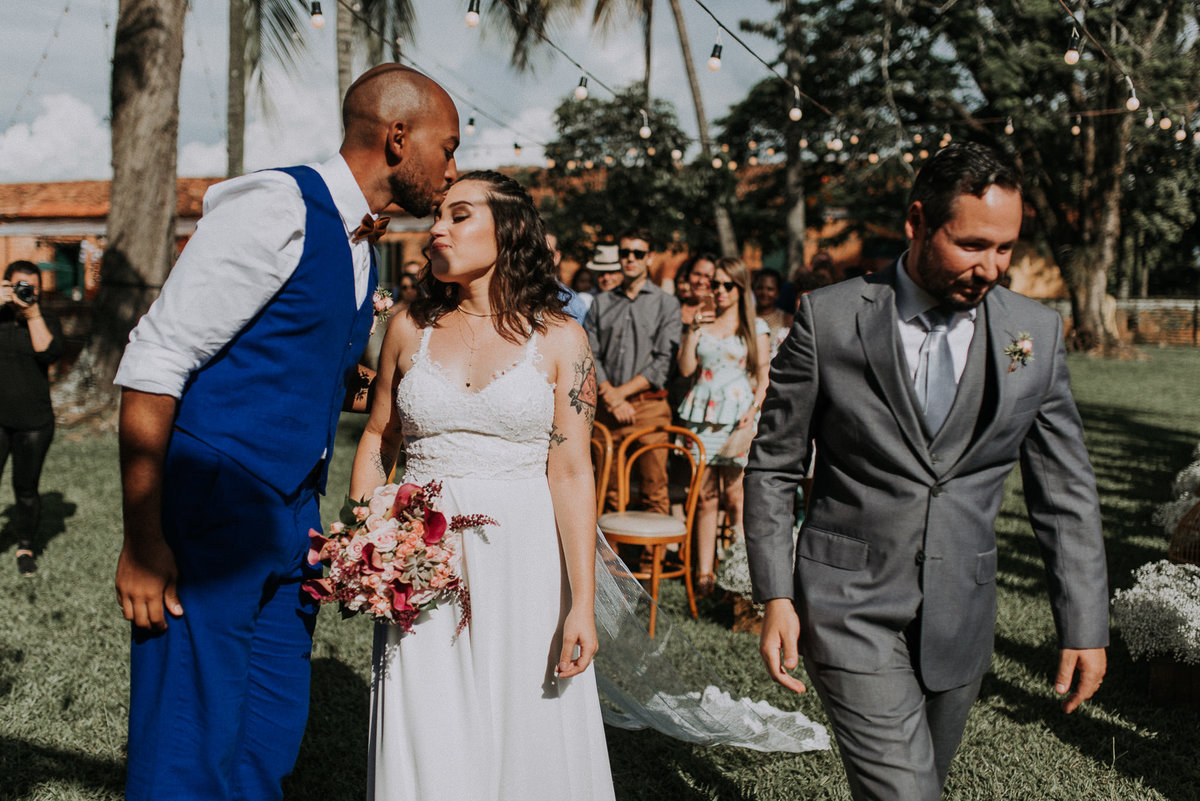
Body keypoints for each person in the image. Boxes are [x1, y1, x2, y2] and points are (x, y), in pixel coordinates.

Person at [112, 64, 460, 801]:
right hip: (213, 508)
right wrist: (144, 540)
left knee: (267, 732)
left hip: (293, 517)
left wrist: (354, 385)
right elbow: (155, 360)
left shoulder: (362, 239)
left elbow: (286, 348)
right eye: (448, 147)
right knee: (189, 734)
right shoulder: (278, 205)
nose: (451, 169)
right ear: (398, 137)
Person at [744, 142, 1109, 800]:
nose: (992, 268)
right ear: (916, 221)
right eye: (972, 244)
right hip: (847, 603)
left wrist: (1084, 623)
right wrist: (775, 593)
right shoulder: (828, 320)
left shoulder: (1035, 333)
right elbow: (774, 465)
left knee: (918, 783)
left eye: (1006, 248)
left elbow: (1065, 490)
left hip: (959, 613)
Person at [351, 170, 614, 799]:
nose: (436, 228)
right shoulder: (408, 329)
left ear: (510, 229)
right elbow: (376, 440)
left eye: (458, 215)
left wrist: (580, 601)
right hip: (420, 557)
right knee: (427, 717)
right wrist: (367, 541)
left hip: (523, 557)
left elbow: (573, 471)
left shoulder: (562, 339)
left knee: (525, 715)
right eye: (436, 215)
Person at [676, 257, 770, 596]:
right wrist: (690, 331)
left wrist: (753, 411)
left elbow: (764, 376)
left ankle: (737, 574)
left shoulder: (755, 326)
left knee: (736, 497)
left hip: (738, 417)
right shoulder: (700, 324)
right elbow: (686, 370)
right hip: (702, 415)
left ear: (740, 288)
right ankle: (704, 575)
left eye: (726, 284)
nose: (719, 290)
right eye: (715, 283)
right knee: (703, 497)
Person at [584, 230, 682, 514]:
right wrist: (611, 398)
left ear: (649, 258)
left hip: (649, 406)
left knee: (655, 492)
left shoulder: (666, 304)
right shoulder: (602, 303)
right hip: (607, 409)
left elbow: (664, 362)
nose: (630, 259)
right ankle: (613, 559)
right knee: (609, 494)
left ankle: (654, 560)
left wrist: (618, 396)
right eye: (625, 253)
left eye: (637, 254)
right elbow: (590, 354)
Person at [1, 261, 63, 577]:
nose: (27, 291)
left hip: (34, 423)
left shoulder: (47, 320)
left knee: (25, 488)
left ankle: (25, 546)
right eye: (20, 285)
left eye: (33, 287)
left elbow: (48, 352)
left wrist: (33, 313)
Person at [751, 268, 793, 357]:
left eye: (770, 289)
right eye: (760, 288)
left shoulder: (787, 319)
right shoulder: (746, 317)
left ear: (778, 293)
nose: (764, 293)